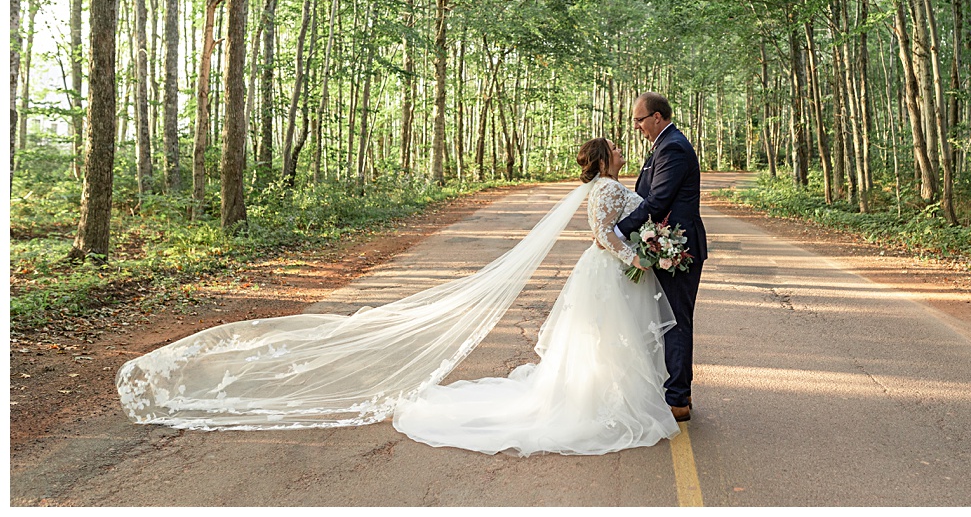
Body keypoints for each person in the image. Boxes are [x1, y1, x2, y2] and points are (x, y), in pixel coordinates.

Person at [116, 138, 680, 457]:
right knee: (610, 340)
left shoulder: (599, 187)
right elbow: (604, 236)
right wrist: (637, 257)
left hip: (604, 275)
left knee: (608, 342)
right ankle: (607, 404)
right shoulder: (607, 189)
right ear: (604, 162)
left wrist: (642, 249)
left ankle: (610, 395)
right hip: (609, 270)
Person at [615, 92, 706, 422]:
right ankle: (678, 389)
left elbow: (657, 201)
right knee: (669, 319)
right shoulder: (662, 146)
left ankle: (678, 399)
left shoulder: (673, 148)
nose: (636, 126)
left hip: (678, 247)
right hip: (664, 244)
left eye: (639, 119)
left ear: (657, 116)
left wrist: (618, 233)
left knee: (677, 320)